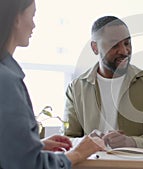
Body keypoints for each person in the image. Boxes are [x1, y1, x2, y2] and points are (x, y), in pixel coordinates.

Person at [0, 0, 106, 168]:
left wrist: (36, 145)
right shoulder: (6, 81)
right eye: (32, 15)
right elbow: (30, 165)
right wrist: (78, 153)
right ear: (16, 19)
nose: (34, 25)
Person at [63, 16, 143, 148]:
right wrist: (88, 141)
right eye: (114, 45)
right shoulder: (76, 88)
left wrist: (131, 142)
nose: (124, 51)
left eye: (127, 43)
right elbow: (67, 139)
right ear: (95, 48)